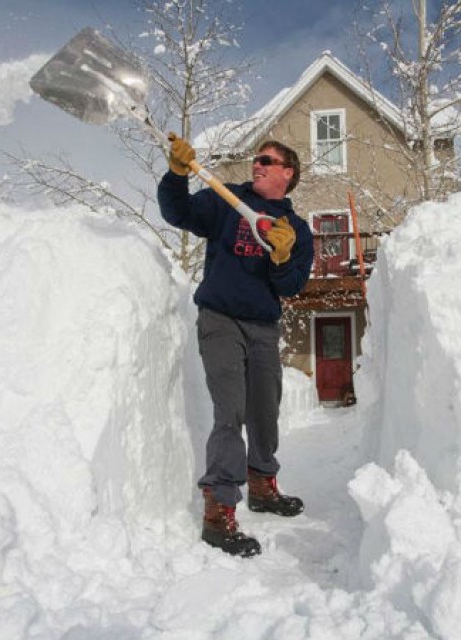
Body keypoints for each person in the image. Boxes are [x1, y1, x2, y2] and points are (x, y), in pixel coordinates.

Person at [158, 134, 314, 557]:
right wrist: (176, 173)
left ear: (288, 173)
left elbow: (293, 285)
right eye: (255, 160)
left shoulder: (297, 231)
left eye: (267, 160)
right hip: (220, 319)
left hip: (264, 327)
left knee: (264, 411)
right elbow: (177, 212)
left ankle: (263, 485)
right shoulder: (226, 203)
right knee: (230, 412)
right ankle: (219, 511)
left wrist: (281, 259)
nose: (257, 165)